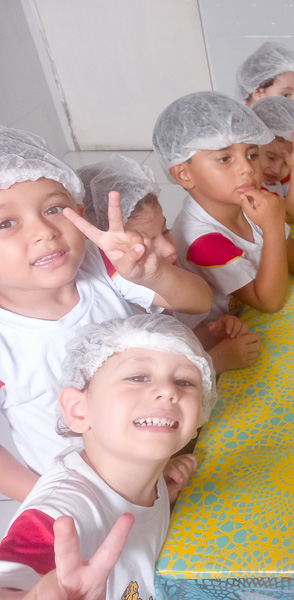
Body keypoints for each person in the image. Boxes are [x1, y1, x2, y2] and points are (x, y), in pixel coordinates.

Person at [0, 127, 213, 502]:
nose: (44, 232)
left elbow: (199, 301)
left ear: (80, 213)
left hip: (155, 458)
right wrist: (48, 498)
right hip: (77, 497)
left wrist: (153, 275)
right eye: (6, 223)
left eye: (53, 209)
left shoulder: (102, 268)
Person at [0, 314, 216, 600]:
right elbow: (12, 576)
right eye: (138, 377)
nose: (168, 390)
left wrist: (162, 491)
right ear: (78, 410)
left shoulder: (142, 478)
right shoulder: (59, 514)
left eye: (185, 381)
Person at [154, 91, 294, 322]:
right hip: (219, 328)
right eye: (225, 159)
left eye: (252, 155)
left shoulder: (245, 200)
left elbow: (289, 247)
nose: (247, 168)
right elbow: (268, 301)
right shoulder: (202, 242)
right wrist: (273, 228)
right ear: (184, 174)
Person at [78, 154, 261, 373]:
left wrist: (209, 332)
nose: (169, 248)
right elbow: (153, 376)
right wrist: (216, 361)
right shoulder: (120, 274)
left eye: (165, 230)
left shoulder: (156, 276)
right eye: (143, 246)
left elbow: (183, 317)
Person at [250, 96, 294, 223]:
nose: (276, 170)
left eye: (287, 163)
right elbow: (291, 215)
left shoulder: (276, 179)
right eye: (271, 157)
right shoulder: (251, 185)